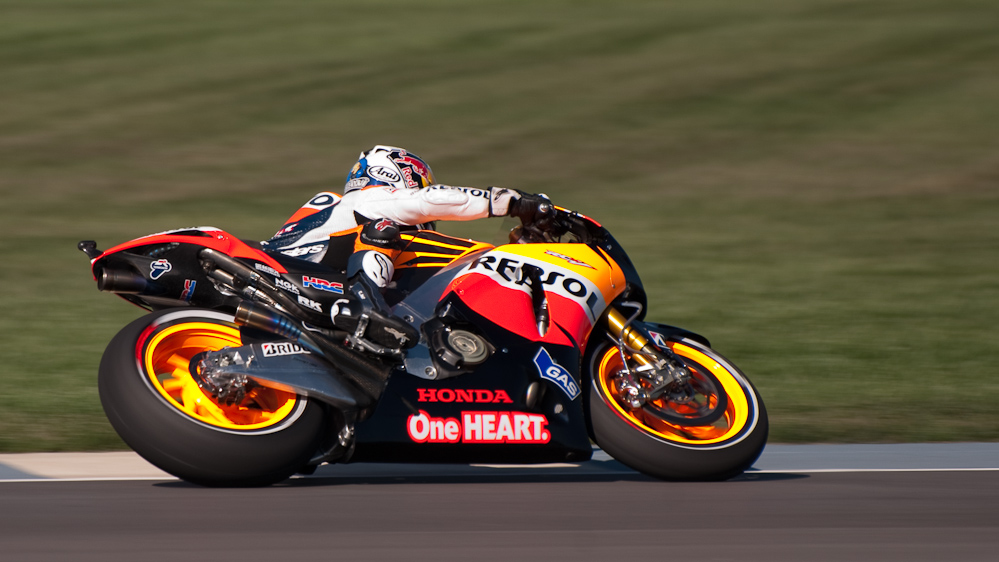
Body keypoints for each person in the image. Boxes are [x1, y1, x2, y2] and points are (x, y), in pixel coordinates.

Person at [262, 145, 553, 350]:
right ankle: (366, 308)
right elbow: (430, 200)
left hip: (299, 284)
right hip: (296, 277)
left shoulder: (335, 210)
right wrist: (514, 202)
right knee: (383, 230)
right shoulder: (369, 199)